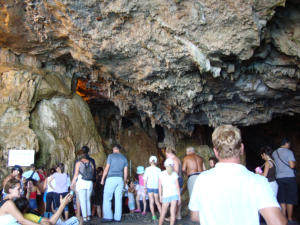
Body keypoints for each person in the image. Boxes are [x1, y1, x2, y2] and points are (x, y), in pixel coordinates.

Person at [189, 125, 287, 225]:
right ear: (241, 148)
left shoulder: (202, 180)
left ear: (215, 152)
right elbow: (278, 222)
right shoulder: (258, 182)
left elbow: (195, 216)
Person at [272, 138, 298, 223]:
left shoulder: (274, 153)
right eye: (289, 144)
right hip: (289, 177)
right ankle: (290, 218)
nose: (289, 146)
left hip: (279, 178)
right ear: (286, 143)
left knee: (282, 198)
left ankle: (283, 217)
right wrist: (295, 163)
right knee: (290, 198)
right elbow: (292, 165)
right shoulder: (289, 152)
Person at [101, 144, 128, 222]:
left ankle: (108, 216)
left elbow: (106, 168)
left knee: (107, 197)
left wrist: (102, 179)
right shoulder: (124, 158)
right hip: (120, 179)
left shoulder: (110, 156)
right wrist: (125, 182)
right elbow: (125, 172)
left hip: (111, 178)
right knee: (118, 199)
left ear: (114, 149)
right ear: (119, 150)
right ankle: (117, 218)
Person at [14, 195, 79, 225]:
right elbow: (50, 223)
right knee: (79, 219)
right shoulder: (26, 216)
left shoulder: (25, 215)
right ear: (25, 209)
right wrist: (63, 205)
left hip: (49, 219)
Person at [71, 150, 94, 223]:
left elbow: (76, 174)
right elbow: (92, 172)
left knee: (82, 200)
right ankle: (89, 216)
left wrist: (72, 183)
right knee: (87, 199)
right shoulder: (91, 163)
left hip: (81, 182)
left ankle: (85, 218)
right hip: (89, 183)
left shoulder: (78, 163)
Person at [158, 158, 180, 225]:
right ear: (172, 165)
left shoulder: (161, 174)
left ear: (165, 165)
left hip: (166, 195)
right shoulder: (174, 174)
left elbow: (159, 187)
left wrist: (160, 196)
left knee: (163, 213)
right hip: (174, 195)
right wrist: (179, 198)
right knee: (172, 213)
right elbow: (177, 187)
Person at [165, 147, 182, 220]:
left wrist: (168, 172)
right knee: (177, 198)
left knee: (174, 199)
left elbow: (176, 171)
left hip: (177, 180)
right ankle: (178, 215)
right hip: (179, 179)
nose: (166, 156)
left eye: (166, 155)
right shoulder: (177, 159)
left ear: (169, 153)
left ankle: (173, 216)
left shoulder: (174, 160)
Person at [143, 156, 162, 221]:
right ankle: (162, 215)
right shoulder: (158, 169)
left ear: (149, 162)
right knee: (157, 202)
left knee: (151, 201)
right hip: (156, 187)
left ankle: (153, 216)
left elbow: (145, 179)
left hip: (149, 187)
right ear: (156, 162)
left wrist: (145, 187)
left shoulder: (147, 169)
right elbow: (160, 180)